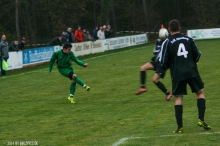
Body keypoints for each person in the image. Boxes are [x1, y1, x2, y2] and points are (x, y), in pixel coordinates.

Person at [159, 19, 211, 133]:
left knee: (178, 97)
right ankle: (201, 119)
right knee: (200, 93)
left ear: (169, 30)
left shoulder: (167, 42)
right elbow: (197, 54)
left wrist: (172, 65)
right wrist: (190, 63)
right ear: (179, 28)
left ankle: (180, 127)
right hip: (192, 71)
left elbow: (162, 61)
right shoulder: (188, 39)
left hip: (177, 73)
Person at [135, 25, 172, 101]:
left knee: (154, 80)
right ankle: (143, 87)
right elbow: (157, 51)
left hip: (162, 65)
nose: (159, 37)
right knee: (142, 68)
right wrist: (155, 56)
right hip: (157, 62)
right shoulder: (158, 41)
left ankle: (168, 93)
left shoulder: (168, 43)